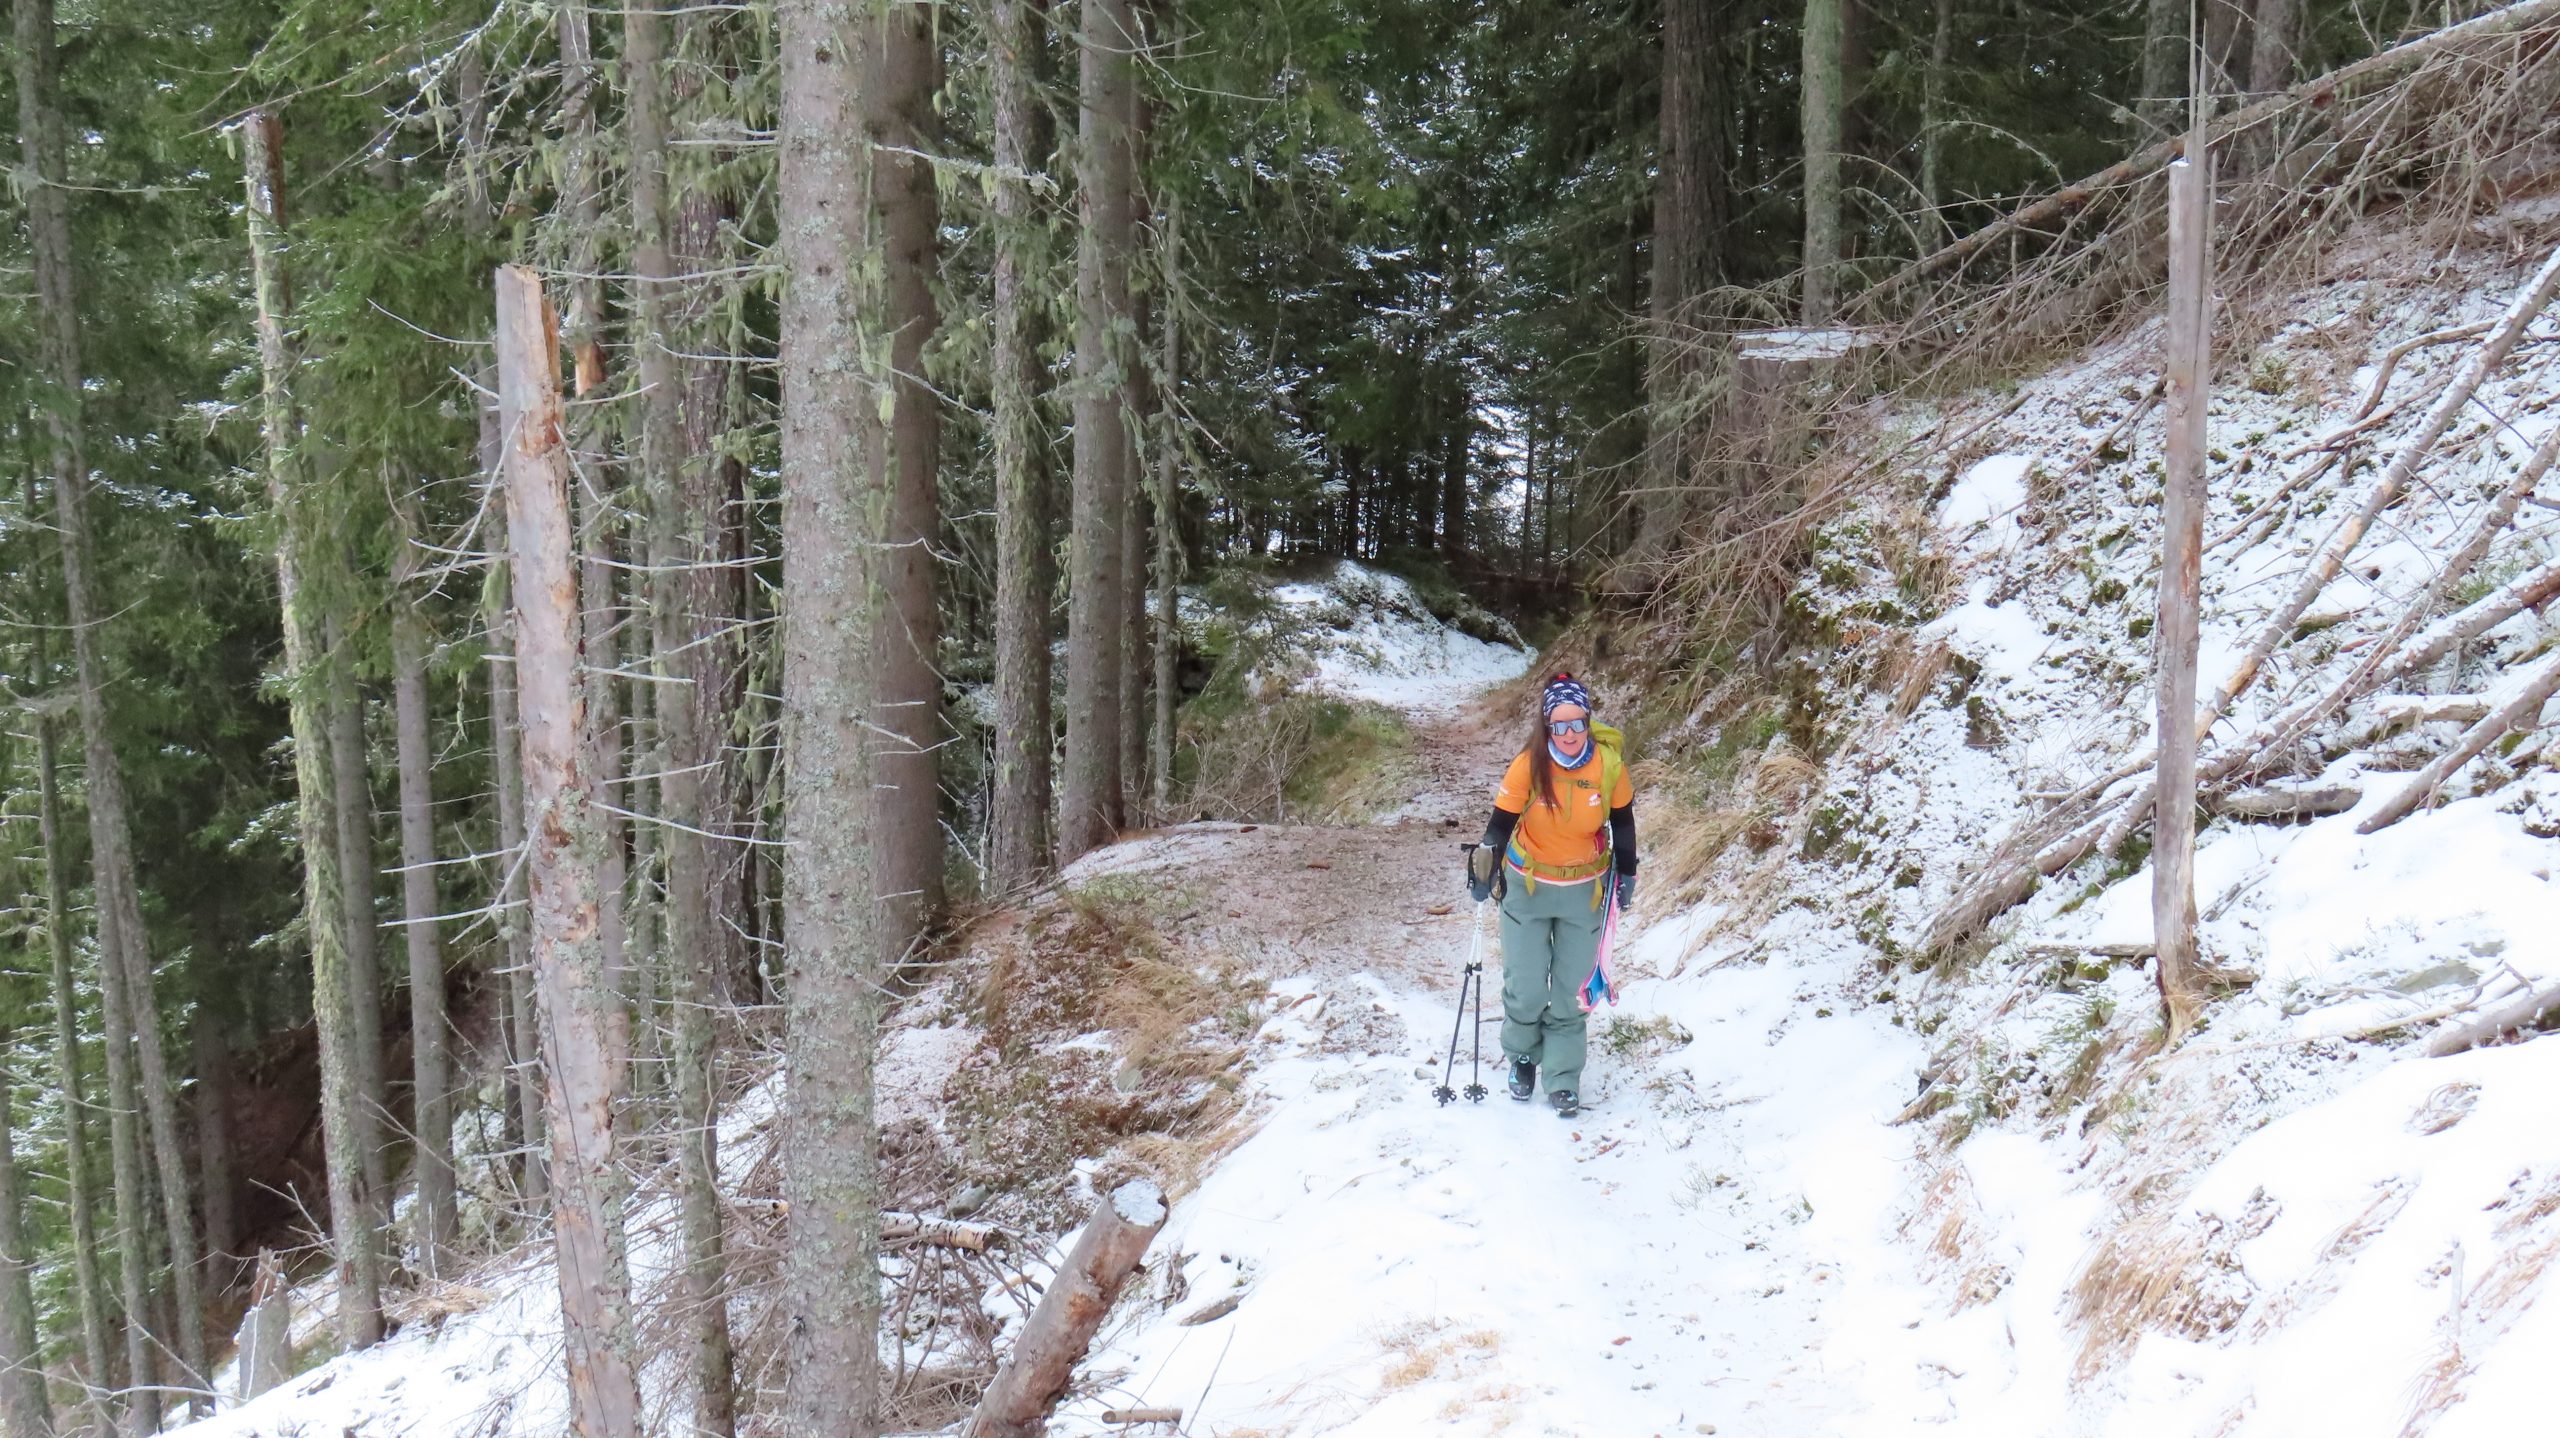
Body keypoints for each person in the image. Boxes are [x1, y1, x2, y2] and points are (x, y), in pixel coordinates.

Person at [1464, 673, 1636, 1117]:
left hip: (1585, 892)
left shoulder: (1609, 766)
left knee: (1572, 990)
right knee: (1524, 985)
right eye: (1559, 726)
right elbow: (1500, 825)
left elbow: (1623, 823)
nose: (1570, 734)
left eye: (1577, 723)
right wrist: (1485, 865)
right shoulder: (1528, 764)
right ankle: (1522, 1059)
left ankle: (1562, 1076)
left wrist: (1628, 874)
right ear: (1546, 727)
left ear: (1587, 720)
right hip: (1528, 887)